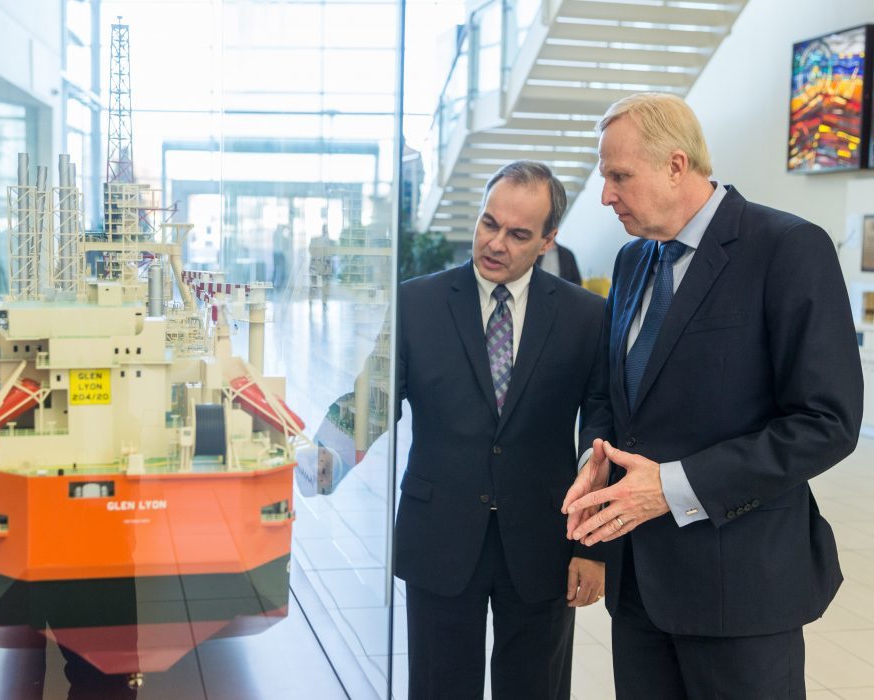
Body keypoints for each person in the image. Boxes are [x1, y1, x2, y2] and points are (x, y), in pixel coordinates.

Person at [562, 93, 863, 699]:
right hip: (641, 584)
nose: (605, 196)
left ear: (677, 165)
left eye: (619, 176)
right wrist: (595, 462)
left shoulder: (787, 249)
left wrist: (672, 487)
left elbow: (827, 421)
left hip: (742, 588)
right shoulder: (631, 261)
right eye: (603, 177)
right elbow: (611, 391)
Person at [300, 160, 611, 699]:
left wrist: (596, 545)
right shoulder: (418, 303)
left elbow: (602, 430)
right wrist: (319, 462)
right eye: (488, 223)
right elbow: (373, 399)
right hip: (440, 534)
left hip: (542, 541)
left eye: (517, 235)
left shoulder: (585, 317)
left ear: (547, 240)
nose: (496, 243)